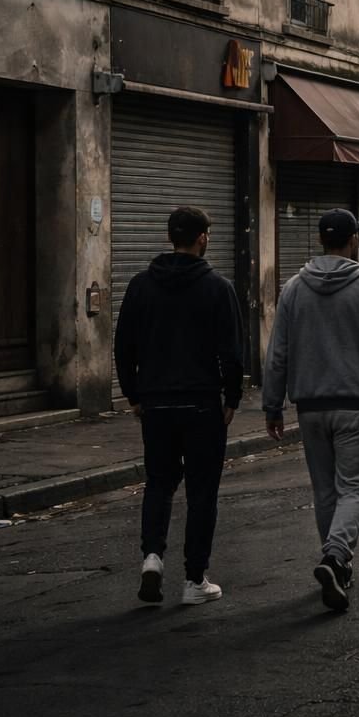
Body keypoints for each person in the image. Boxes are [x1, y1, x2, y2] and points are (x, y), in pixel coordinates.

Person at [263, 208, 359, 612]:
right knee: (356, 489)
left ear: (321, 240)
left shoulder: (294, 289)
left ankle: (338, 567)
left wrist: (273, 406)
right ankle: (336, 556)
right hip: (356, 407)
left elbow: (277, 354)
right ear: (353, 240)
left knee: (326, 491)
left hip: (310, 408)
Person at [114, 206, 244, 607]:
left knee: (159, 482)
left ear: (170, 237)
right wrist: (231, 398)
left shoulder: (140, 286)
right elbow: (231, 352)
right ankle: (194, 579)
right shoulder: (218, 288)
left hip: (156, 403)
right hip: (201, 403)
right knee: (202, 491)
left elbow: (123, 347)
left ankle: (152, 557)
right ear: (202, 238)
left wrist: (134, 395)